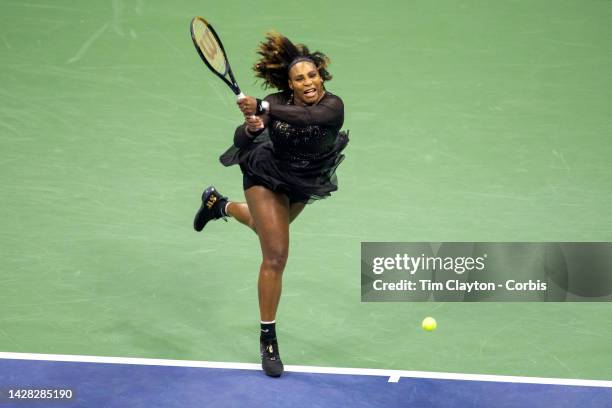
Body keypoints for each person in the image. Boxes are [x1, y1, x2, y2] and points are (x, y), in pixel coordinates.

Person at [193, 31, 349, 377]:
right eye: (299, 78)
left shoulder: (332, 106)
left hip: (305, 179)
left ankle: (220, 205)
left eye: (312, 75)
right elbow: (241, 137)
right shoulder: (277, 103)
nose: (308, 82)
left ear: (320, 75)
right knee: (275, 253)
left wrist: (263, 108)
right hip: (266, 172)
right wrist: (250, 128)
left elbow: (309, 120)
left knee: (268, 231)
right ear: (289, 85)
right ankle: (268, 340)